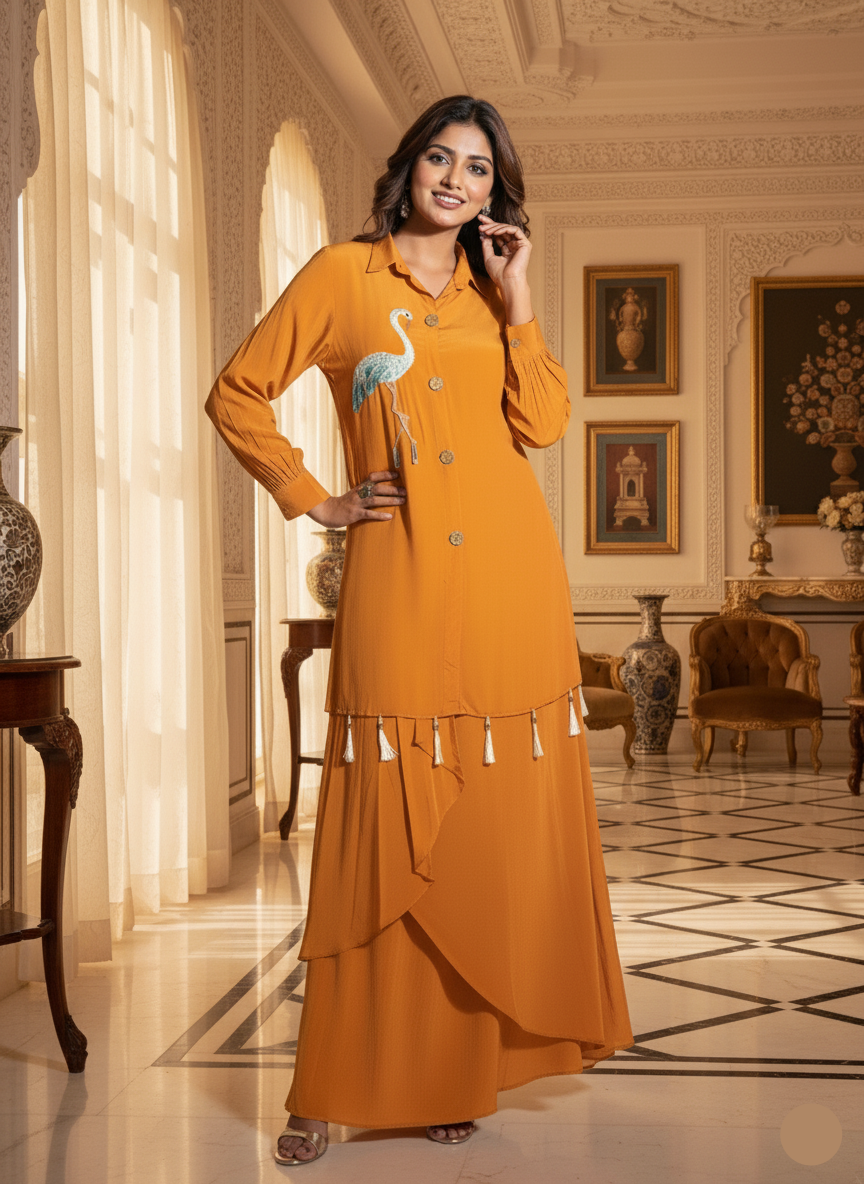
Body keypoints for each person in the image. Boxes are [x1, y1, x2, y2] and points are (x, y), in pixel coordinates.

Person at [205, 94, 633, 1167]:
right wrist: (318, 498)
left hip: (509, 583)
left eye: (478, 168)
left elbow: (543, 422)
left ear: (495, 191)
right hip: (396, 577)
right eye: (441, 158)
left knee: (485, 830)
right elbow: (238, 392)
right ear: (409, 167)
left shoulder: (494, 293)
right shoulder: (342, 277)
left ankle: (455, 1073)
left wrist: (520, 296)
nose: (456, 179)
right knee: (378, 825)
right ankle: (330, 1088)